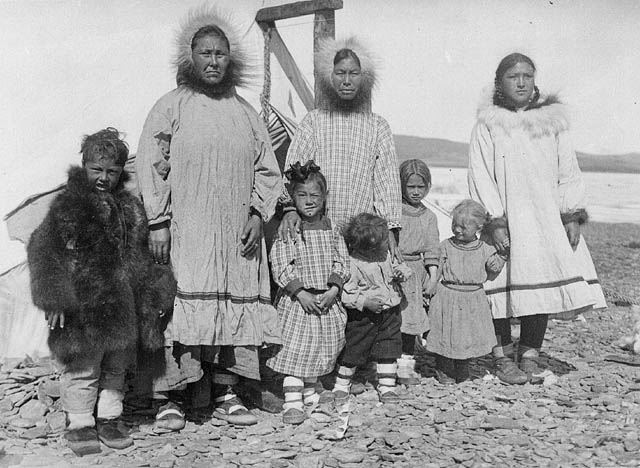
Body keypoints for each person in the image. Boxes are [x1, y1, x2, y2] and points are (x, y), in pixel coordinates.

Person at [135, 7, 283, 427]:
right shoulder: (172, 107)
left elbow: (267, 170)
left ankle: (226, 392)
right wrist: (158, 222)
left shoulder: (245, 113)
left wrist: (257, 213)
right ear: (191, 57)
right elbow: (150, 164)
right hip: (188, 232)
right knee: (180, 309)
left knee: (231, 307)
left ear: (229, 59)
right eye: (206, 53)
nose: (213, 61)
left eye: (220, 53)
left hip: (237, 236)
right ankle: (171, 397)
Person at [27, 128, 175, 456]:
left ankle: (109, 418)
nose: (104, 178)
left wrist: (153, 293)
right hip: (82, 305)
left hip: (122, 305)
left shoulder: (131, 208)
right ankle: (79, 423)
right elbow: (44, 250)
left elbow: (144, 254)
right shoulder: (68, 205)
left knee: (116, 365)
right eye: (96, 169)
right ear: (84, 166)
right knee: (84, 366)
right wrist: (53, 298)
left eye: (112, 171)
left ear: (122, 171)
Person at [468, 52, 607, 385]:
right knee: (498, 286)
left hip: (544, 221)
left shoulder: (551, 122)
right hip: (505, 220)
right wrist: (494, 221)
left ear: (534, 80)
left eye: (527, 76)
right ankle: (502, 357)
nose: (521, 83)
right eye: (512, 77)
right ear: (499, 82)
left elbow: (568, 169)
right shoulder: (488, 124)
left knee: (541, 284)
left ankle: (530, 354)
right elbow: (481, 174)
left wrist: (570, 214)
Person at [277, 37, 402, 260]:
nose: (346, 81)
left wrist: (390, 228)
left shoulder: (377, 126)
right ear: (330, 77)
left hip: (362, 235)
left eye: (353, 74)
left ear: (364, 78)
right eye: (340, 73)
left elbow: (387, 181)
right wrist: (290, 209)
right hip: (317, 229)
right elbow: (293, 170)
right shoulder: (313, 122)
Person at [267, 161, 350, 425]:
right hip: (298, 302)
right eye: (302, 195)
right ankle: (292, 401)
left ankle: (310, 392)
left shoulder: (333, 228)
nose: (309, 201)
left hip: (325, 300)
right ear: (293, 198)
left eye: (315, 195)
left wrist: (334, 288)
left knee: (319, 348)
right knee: (296, 350)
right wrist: (300, 292)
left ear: (324, 197)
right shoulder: (289, 228)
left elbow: (342, 261)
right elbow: (280, 263)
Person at [426, 200, 508, 384]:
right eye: (454, 224)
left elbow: (494, 268)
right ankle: (444, 367)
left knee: (466, 334)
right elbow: (437, 269)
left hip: (473, 298)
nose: (457, 230)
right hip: (448, 295)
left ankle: (462, 366)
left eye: (463, 227)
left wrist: (503, 254)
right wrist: (430, 287)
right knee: (445, 331)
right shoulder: (445, 246)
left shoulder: (485, 249)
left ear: (479, 227)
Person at [333, 213, 412, 403]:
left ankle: (387, 386)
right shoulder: (353, 263)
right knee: (354, 348)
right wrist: (365, 302)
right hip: (364, 315)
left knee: (389, 347)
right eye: (384, 240)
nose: (387, 243)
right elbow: (346, 294)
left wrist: (402, 273)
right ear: (370, 247)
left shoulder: (385, 255)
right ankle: (342, 384)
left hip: (390, 310)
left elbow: (402, 266)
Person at [396, 159, 440, 385]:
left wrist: (432, 277)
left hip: (415, 273)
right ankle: (384, 367)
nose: (415, 192)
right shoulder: (393, 211)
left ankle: (405, 368)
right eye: (410, 186)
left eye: (420, 187)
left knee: (410, 322)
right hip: (394, 269)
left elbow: (432, 249)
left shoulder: (429, 216)